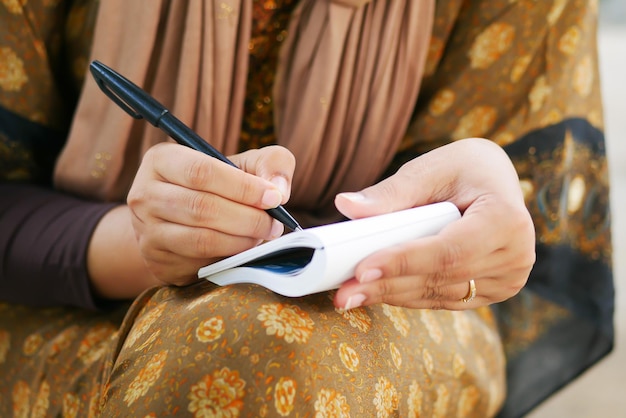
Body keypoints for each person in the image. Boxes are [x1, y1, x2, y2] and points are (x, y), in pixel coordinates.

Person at [0, 0, 614, 417]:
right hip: (69, 301)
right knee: (245, 344)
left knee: (282, 349)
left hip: (401, 309)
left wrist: (486, 212)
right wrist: (139, 242)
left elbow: (524, 217)